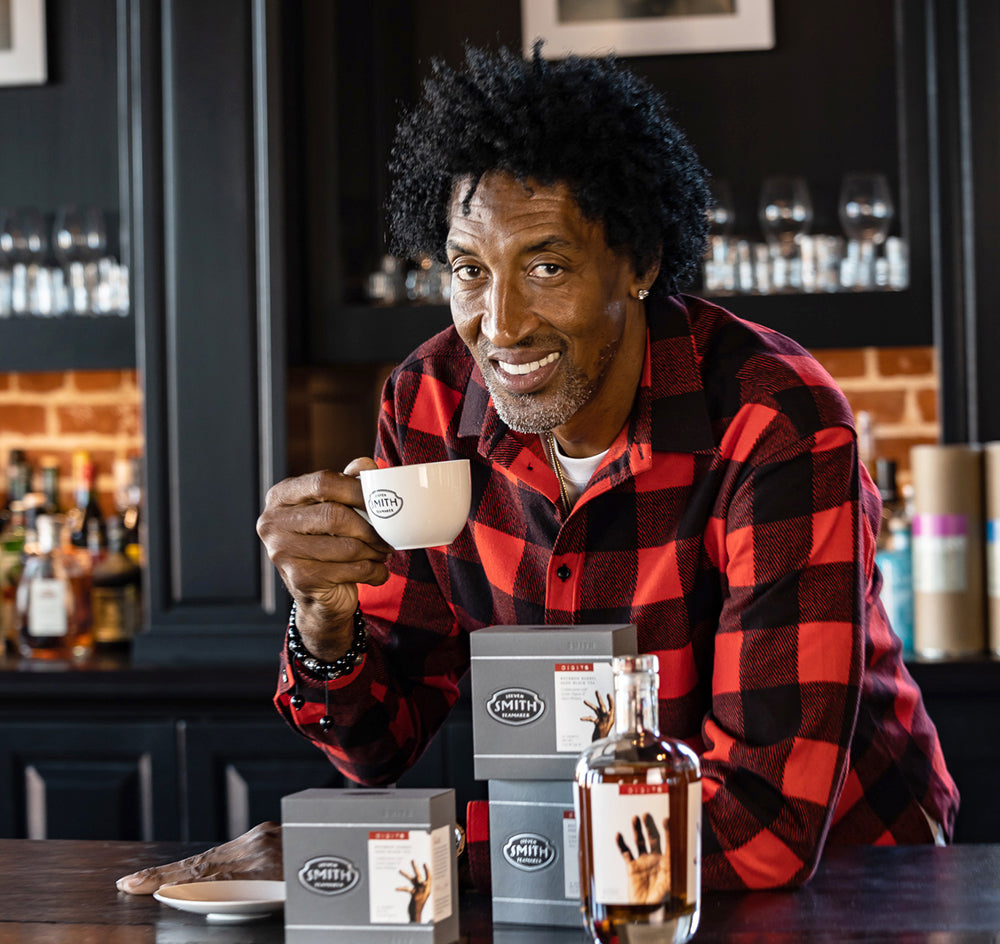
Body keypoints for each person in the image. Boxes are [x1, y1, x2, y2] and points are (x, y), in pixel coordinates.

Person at [117, 42, 959, 897]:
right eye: (470, 271)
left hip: (844, 882)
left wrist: (404, 858)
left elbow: (764, 827)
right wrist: (326, 623)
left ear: (639, 262)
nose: (501, 323)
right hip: (579, 881)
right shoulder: (429, 405)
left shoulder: (771, 419)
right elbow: (376, 747)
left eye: (547, 267)